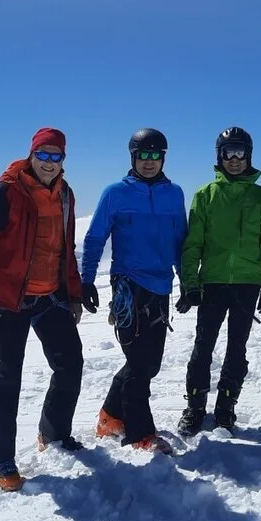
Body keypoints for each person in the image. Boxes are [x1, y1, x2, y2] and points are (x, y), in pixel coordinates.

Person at [0, 127, 86, 492]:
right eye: (44, 155)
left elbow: (65, 251)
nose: (50, 162)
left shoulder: (65, 194)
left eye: (57, 156)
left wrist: (74, 295)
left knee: (70, 364)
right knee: (9, 378)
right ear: (32, 155)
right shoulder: (7, 192)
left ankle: (53, 434)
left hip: (50, 298)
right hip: (7, 302)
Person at [81, 128, 187, 454]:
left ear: (164, 158)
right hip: (128, 286)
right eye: (144, 155)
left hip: (160, 287)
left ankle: (110, 415)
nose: (150, 162)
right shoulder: (115, 193)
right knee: (139, 363)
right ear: (133, 157)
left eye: (156, 156)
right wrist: (86, 281)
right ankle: (141, 433)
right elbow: (95, 237)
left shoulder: (174, 194)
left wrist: (187, 283)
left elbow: (180, 241)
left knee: (149, 363)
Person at [174, 127, 261, 435]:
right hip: (213, 284)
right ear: (219, 156)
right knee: (203, 347)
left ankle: (226, 408)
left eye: (240, 153)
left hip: (248, 285)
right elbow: (193, 244)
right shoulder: (206, 196)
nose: (234, 159)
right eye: (228, 153)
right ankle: (195, 408)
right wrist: (191, 283)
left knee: (237, 349)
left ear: (249, 156)